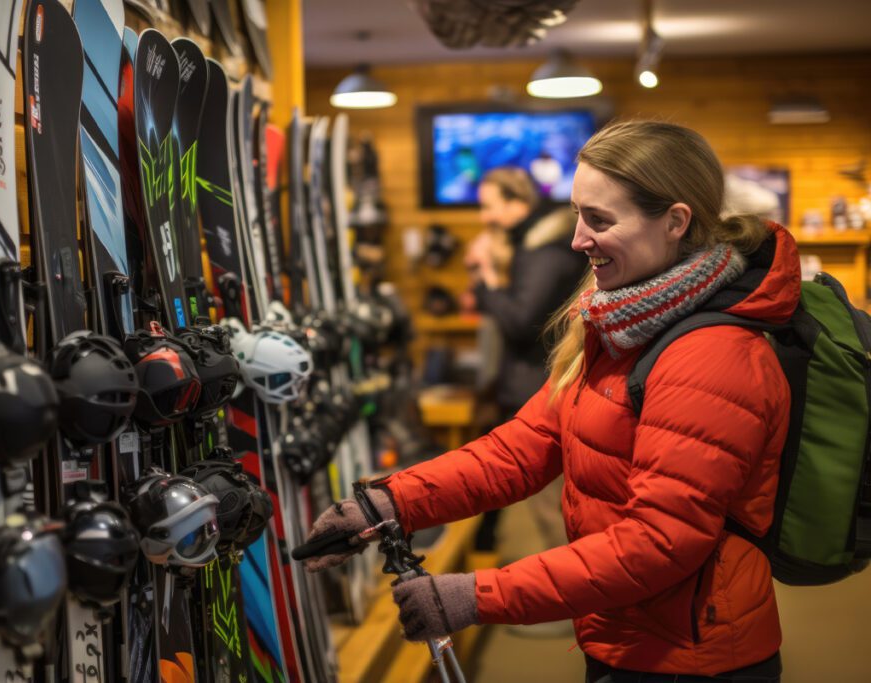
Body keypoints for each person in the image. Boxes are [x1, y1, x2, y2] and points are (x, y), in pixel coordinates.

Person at [302, 120, 793, 682]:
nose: (578, 239)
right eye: (578, 212)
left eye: (600, 219)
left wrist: (476, 594)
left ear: (675, 222)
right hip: (626, 634)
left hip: (693, 659)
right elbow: (525, 446)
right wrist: (388, 504)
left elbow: (660, 542)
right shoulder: (625, 324)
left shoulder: (712, 356)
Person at [463, 167, 584, 557]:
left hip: (541, 389)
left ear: (518, 203)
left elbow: (520, 322)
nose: (485, 217)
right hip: (539, 384)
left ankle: (578, 601)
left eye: (489, 206)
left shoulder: (545, 250)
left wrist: (485, 278)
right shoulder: (536, 244)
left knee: (552, 505)